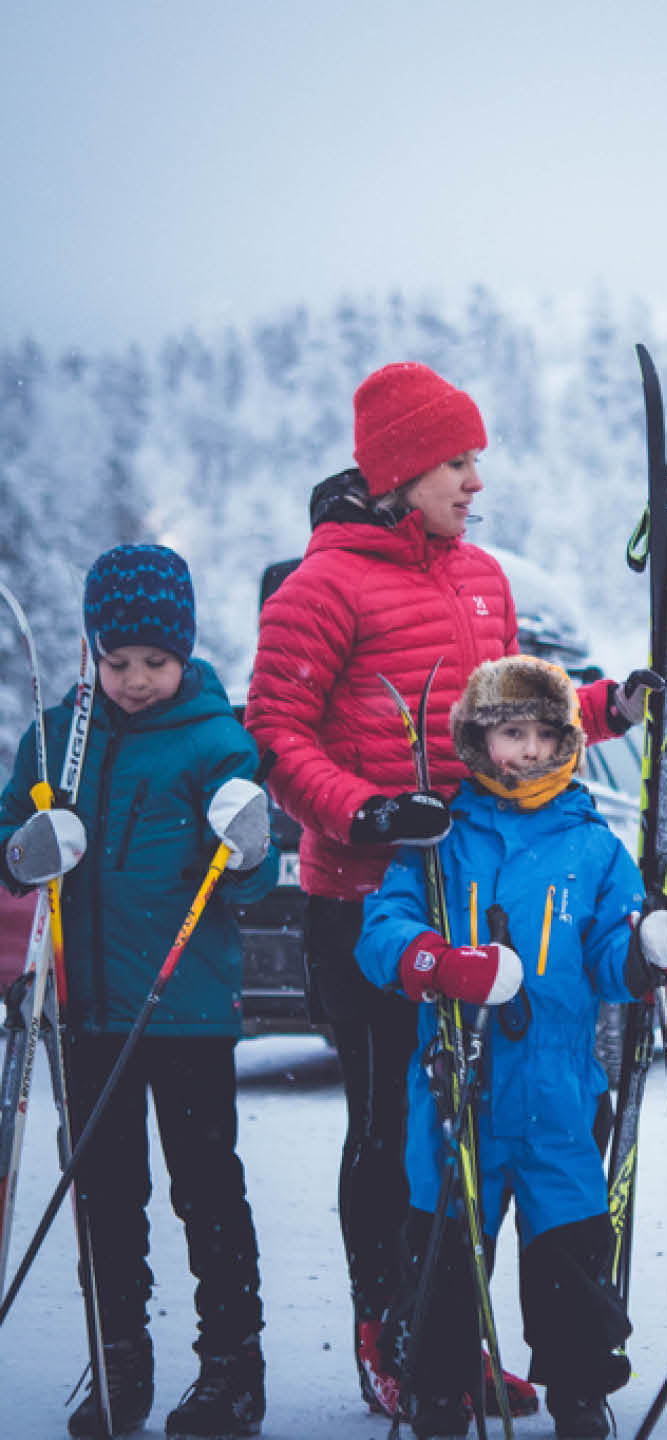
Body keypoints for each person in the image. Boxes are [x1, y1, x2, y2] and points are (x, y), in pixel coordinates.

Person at [246, 361, 655, 1417]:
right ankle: (394, 1331)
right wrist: (361, 813)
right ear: (401, 472)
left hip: (476, 884)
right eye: (457, 461)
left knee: (465, 1133)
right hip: (368, 901)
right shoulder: (322, 587)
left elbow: (509, 708)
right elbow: (274, 733)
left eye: (475, 459)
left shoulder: (479, 577)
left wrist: (615, 706)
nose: (476, 480)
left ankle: (452, 1340)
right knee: (394, 1132)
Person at [355, 657, 667, 1437]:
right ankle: (438, 1385)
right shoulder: (439, 838)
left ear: (569, 742)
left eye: (544, 734)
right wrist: (438, 962)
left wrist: (645, 958)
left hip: (559, 1094)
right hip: (453, 1088)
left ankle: (578, 1389)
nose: (530, 751)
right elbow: (382, 933)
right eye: (512, 733)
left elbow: (611, 954)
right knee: (445, 1254)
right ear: (476, 740)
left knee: (569, 1252)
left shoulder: (595, 848)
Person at [2, 546, 283, 1439]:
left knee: (206, 1190)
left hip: (187, 1010)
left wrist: (248, 847)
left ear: (185, 651)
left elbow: (251, 880)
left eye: (154, 663)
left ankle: (233, 1368)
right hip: (85, 1012)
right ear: (94, 649)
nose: (133, 680)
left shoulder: (216, 740)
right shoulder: (55, 735)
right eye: (117, 661)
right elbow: (11, 845)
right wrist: (26, 850)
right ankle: (118, 1360)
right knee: (106, 1195)